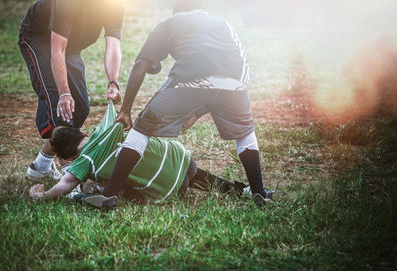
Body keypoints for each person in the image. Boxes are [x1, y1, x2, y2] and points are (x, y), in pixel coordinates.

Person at [103, 0, 273, 206]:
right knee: (245, 133)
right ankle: (259, 192)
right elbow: (216, 84)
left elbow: (141, 64)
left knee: (141, 129)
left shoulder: (172, 21)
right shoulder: (223, 24)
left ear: (177, 10)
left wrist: (125, 110)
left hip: (192, 78)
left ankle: (108, 195)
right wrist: (196, 113)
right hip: (238, 82)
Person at [29, 103, 247, 208]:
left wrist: (40, 195)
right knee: (192, 173)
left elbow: (65, 185)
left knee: (97, 187)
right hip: (182, 158)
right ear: (83, 133)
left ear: (69, 158)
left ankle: (135, 196)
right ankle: (240, 190)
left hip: (171, 189)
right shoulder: (105, 127)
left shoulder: (84, 161)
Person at [18, 0, 124, 181]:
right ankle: (70, 177)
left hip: (71, 47)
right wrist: (64, 93)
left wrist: (113, 82)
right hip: (40, 39)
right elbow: (57, 49)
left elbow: (113, 46)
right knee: (61, 110)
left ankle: (40, 167)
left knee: (80, 108)